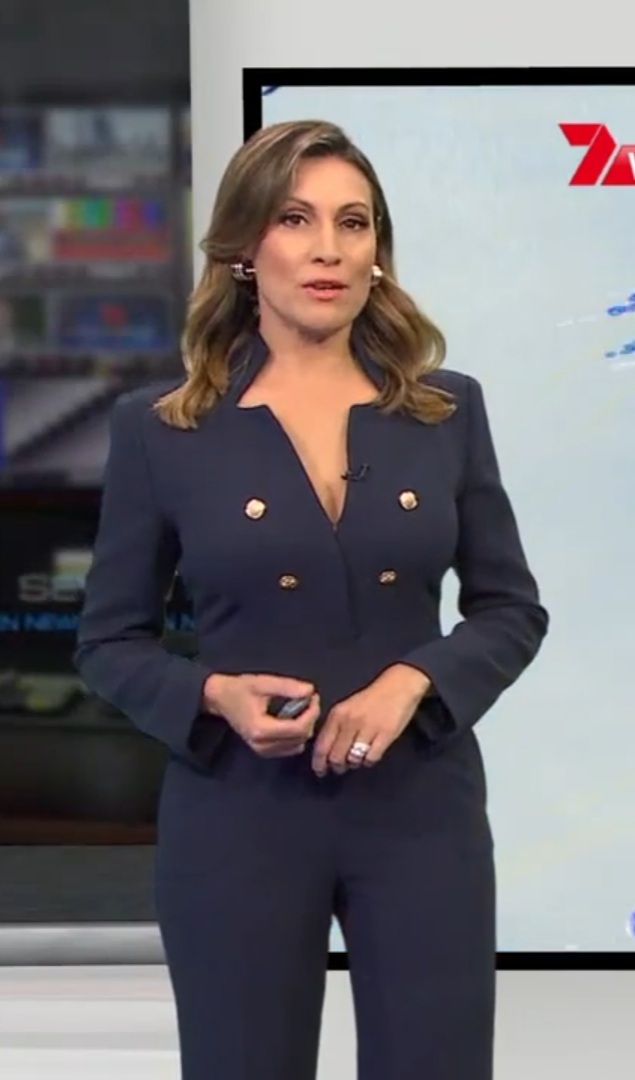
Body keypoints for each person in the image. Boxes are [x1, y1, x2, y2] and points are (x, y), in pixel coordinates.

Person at [73, 119, 549, 1080]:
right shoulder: (162, 430)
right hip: (236, 816)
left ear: (377, 251)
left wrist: (415, 681)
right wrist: (215, 696)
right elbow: (108, 641)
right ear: (245, 249)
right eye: (295, 219)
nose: (328, 248)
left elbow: (510, 608)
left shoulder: (445, 410)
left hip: (420, 810)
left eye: (352, 222)